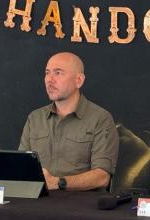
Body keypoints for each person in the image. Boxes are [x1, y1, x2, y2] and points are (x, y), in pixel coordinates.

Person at [19, 52, 118, 191]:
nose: (49, 79)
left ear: (79, 80)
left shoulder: (100, 119)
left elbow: (102, 177)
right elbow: (21, 167)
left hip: (80, 207)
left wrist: (59, 183)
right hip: (36, 203)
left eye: (58, 73)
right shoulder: (35, 118)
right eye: (47, 73)